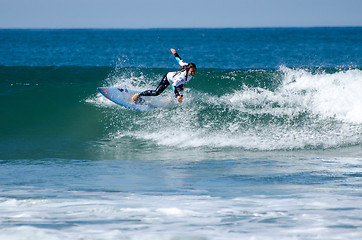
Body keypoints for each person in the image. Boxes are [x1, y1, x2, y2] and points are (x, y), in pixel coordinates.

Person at [132, 48, 196, 103]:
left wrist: (175, 53)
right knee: (156, 92)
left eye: (194, 71)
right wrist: (177, 95)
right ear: (188, 70)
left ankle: (168, 101)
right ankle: (138, 95)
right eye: (192, 71)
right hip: (168, 78)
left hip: (176, 80)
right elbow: (173, 86)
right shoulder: (182, 77)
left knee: (181, 94)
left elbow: (179, 60)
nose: (193, 73)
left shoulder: (187, 66)